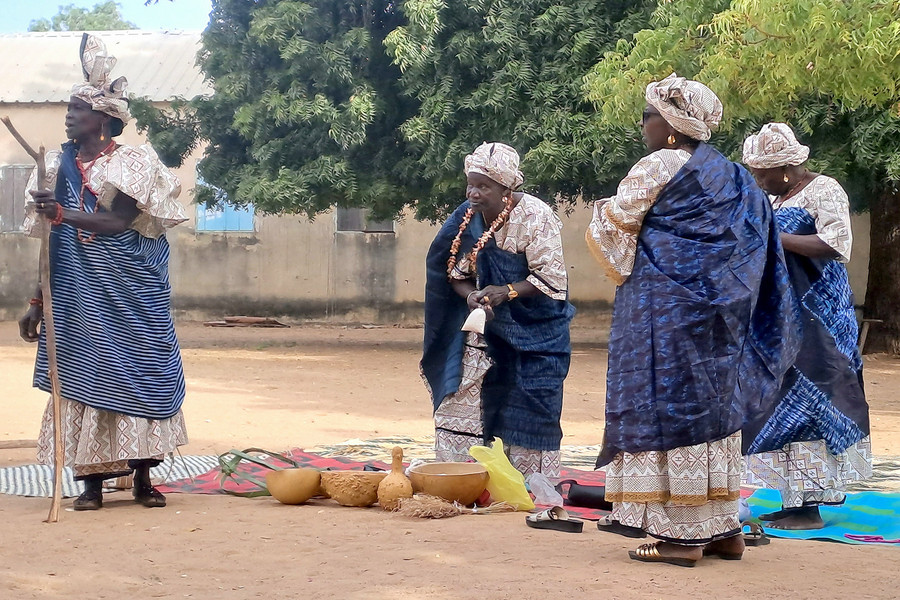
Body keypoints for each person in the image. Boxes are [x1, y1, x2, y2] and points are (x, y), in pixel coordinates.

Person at [585, 74, 799, 566]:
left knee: (664, 404)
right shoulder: (736, 176)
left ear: (673, 125)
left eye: (650, 116)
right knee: (713, 407)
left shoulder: (659, 165)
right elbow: (755, 248)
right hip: (723, 321)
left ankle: (678, 538)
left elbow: (614, 222)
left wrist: (612, 223)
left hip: (663, 315)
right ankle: (725, 530)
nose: (644, 126)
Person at [18, 34, 188, 511]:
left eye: (78, 109)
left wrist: (61, 214)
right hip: (77, 294)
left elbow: (117, 222)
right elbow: (49, 246)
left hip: (132, 289)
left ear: (105, 119)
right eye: (68, 108)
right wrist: (36, 302)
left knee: (145, 373)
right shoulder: (52, 165)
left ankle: (143, 479)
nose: (69, 116)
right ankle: (91, 484)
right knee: (86, 375)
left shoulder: (134, 161)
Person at [741, 123, 871, 530]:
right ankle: (792, 499)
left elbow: (836, 246)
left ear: (786, 168)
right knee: (779, 404)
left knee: (817, 401)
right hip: (781, 318)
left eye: (763, 174)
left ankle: (811, 506)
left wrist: (772, 238)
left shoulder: (824, 190)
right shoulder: (773, 199)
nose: (758, 181)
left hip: (820, 318)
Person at [421, 142, 575, 479]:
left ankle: (530, 486)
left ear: (507, 189)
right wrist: (471, 297)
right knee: (461, 398)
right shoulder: (465, 217)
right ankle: (464, 478)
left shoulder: (535, 215)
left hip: (537, 332)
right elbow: (453, 274)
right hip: (486, 331)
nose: (473, 194)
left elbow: (550, 278)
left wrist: (506, 291)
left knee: (532, 406)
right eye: (470, 184)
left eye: (483, 186)